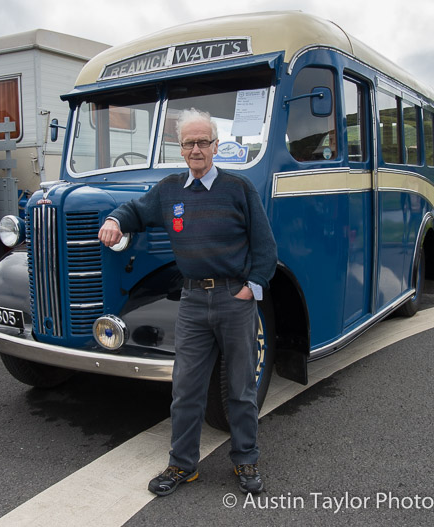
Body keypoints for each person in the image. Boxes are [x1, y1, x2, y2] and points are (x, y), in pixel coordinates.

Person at [98, 108, 277, 496]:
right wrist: (114, 219)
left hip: (234, 298)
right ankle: (183, 466)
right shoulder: (169, 190)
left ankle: (245, 459)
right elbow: (134, 211)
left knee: (241, 388)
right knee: (186, 389)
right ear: (180, 149)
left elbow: (265, 247)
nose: (196, 149)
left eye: (203, 142)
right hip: (193, 301)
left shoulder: (239, 189)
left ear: (215, 146)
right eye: (189, 143)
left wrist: (252, 287)